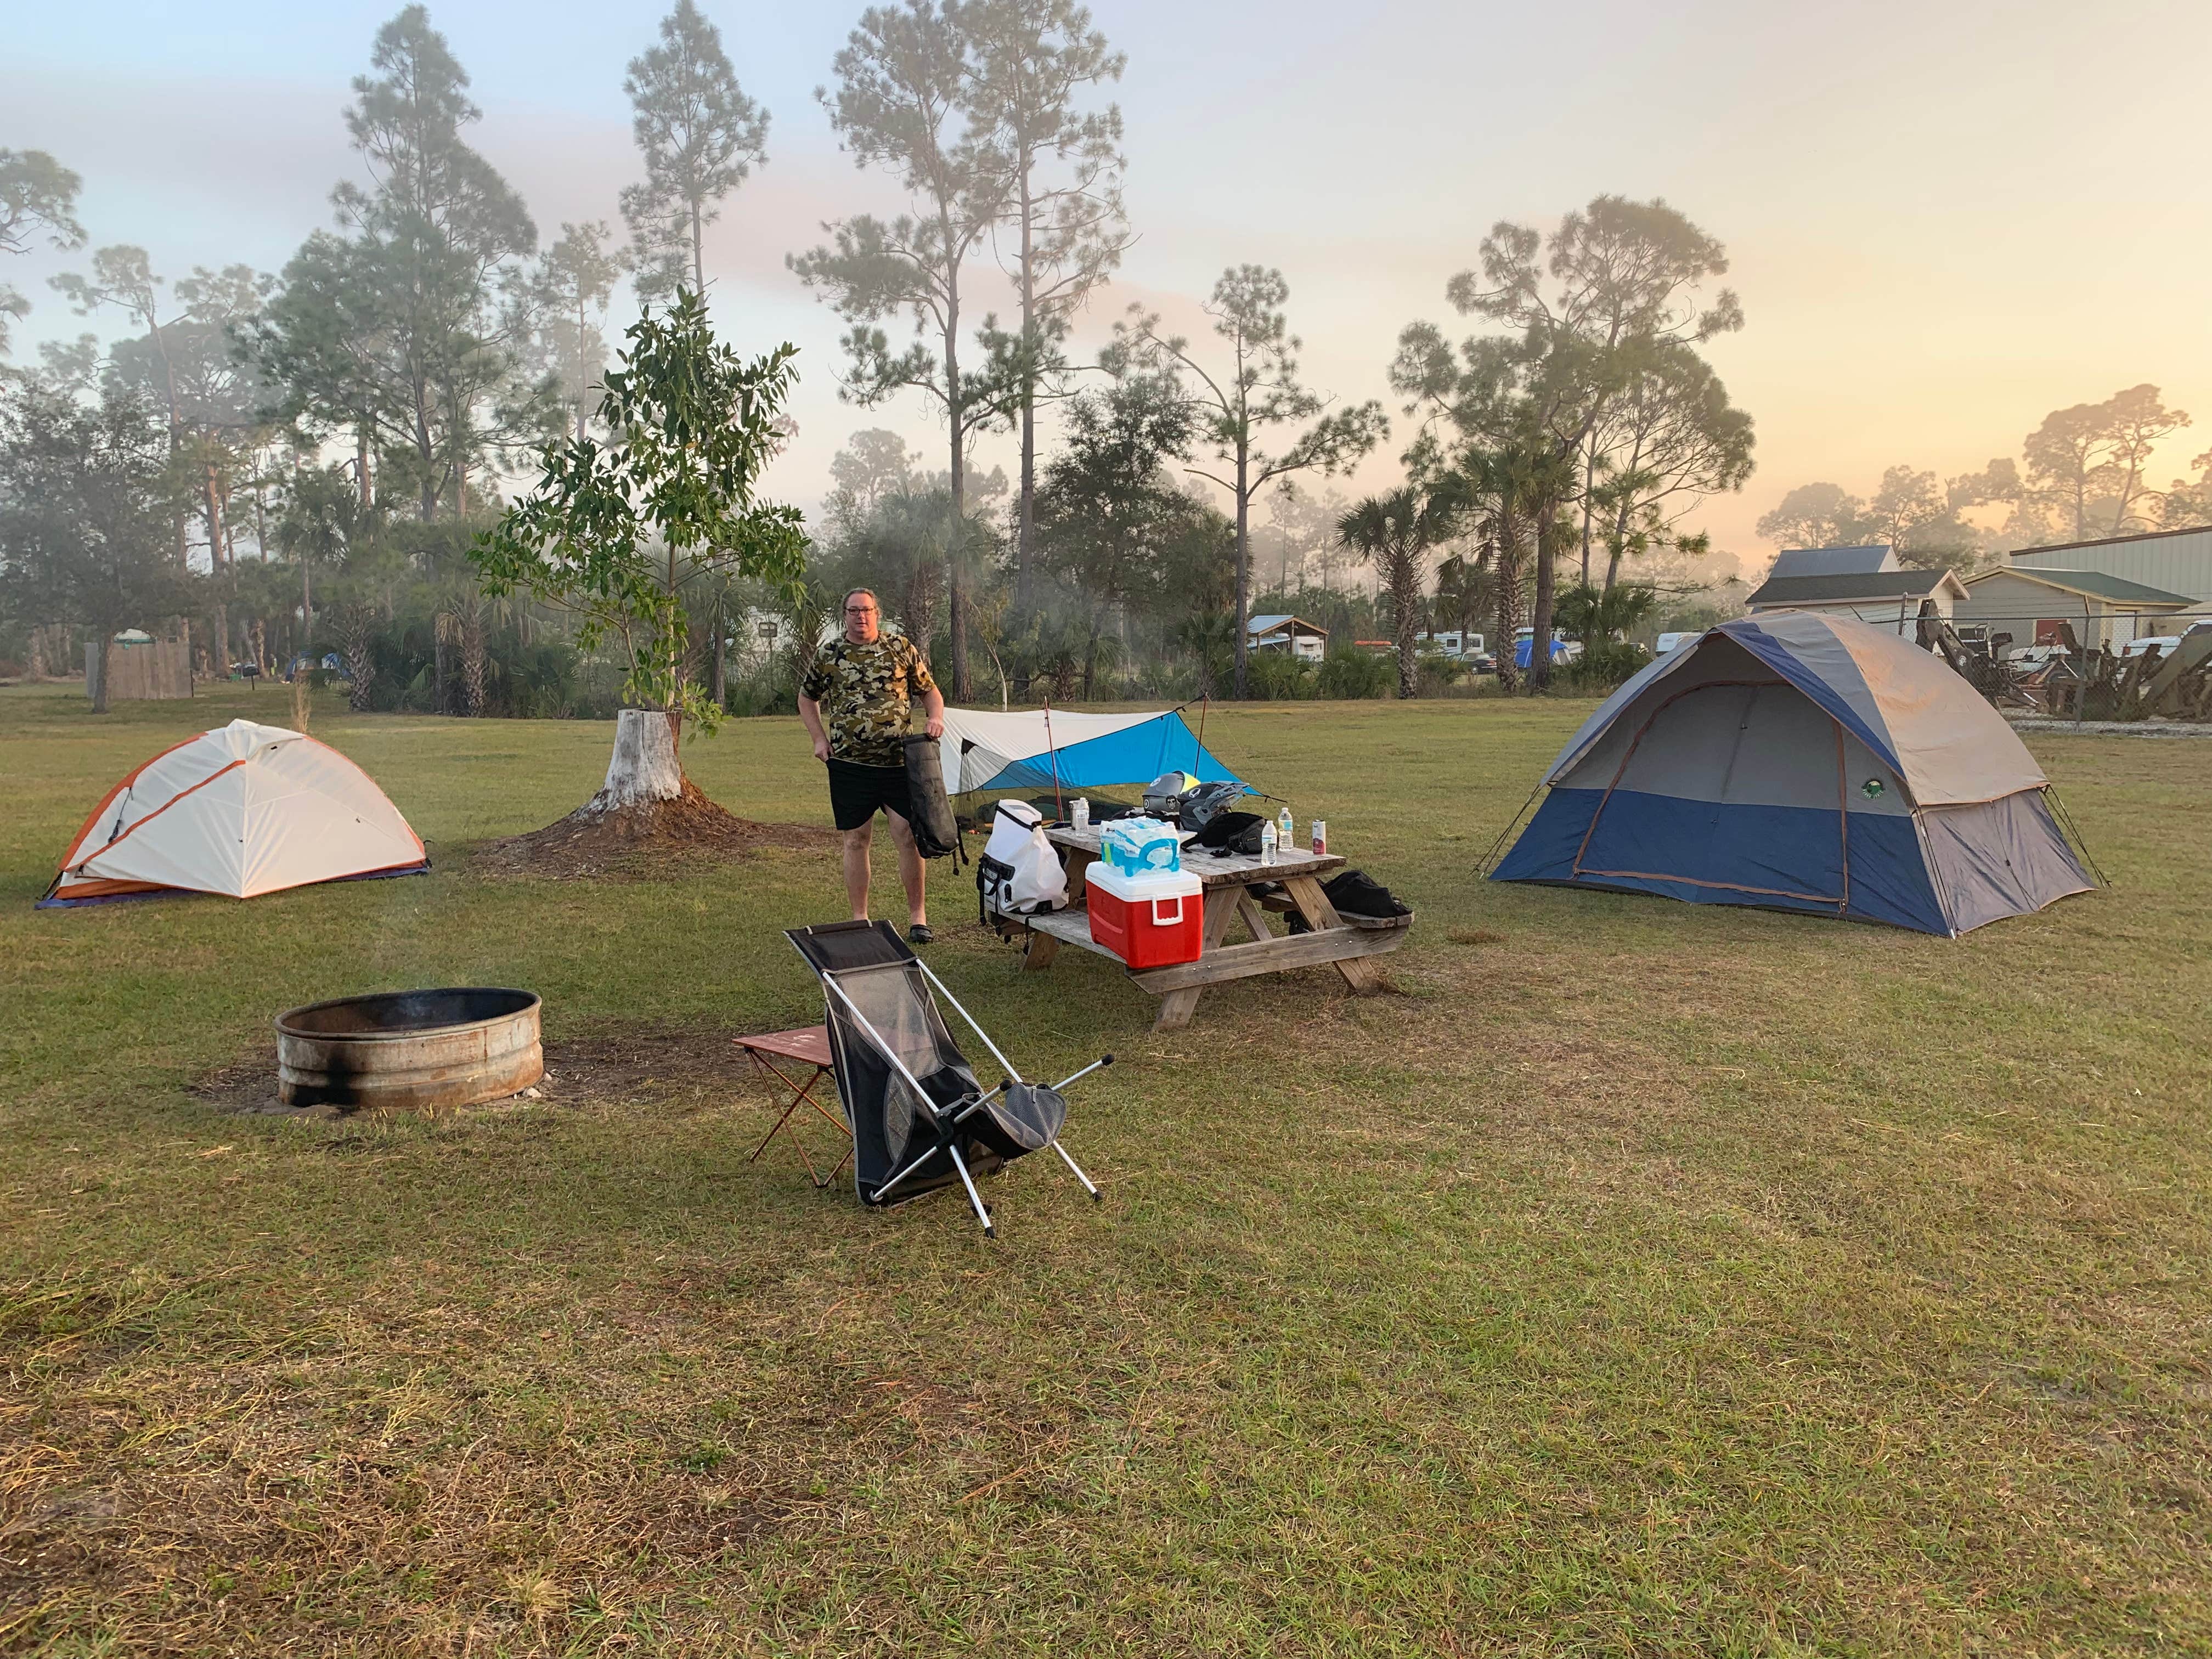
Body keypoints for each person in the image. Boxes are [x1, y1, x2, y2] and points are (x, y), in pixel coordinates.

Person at [798, 588, 946, 944]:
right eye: (853, 611)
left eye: (866, 610)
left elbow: (930, 692)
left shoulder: (900, 648)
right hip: (849, 765)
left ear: (877, 613)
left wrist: (936, 716)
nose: (860, 616)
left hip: (899, 763)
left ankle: (918, 917)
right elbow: (807, 698)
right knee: (856, 841)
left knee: (907, 836)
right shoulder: (830, 654)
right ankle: (860, 920)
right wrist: (819, 739)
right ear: (844, 615)